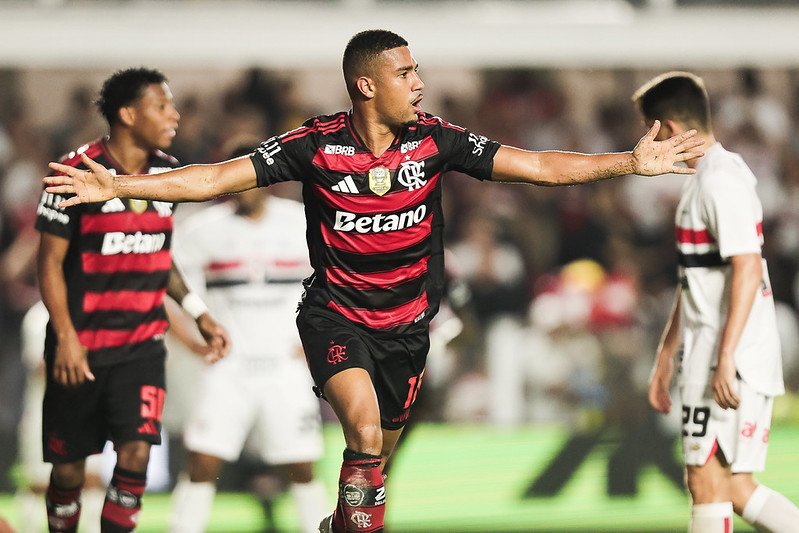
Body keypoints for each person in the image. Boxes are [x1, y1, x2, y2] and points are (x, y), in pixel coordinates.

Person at [44, 31, 703, 533]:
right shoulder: (315, 144)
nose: (419, 83)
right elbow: (216, 178)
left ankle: (339, 524)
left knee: (372, 468)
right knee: (360, 434)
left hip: (406, 330)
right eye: (405, 73)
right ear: (366, 85)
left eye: (416, 71)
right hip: (335, 317)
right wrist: (119, 185)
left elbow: (535, 165)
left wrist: (627, 162)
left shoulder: (435, 140)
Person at [36, 67, 230, 533]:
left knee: (137, 453)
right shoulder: (75, 172)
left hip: (141, 347)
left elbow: (159, 255)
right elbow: (49, 265)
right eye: (162, 106)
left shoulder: (167, 174)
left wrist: (198, 313)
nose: (174, 116)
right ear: (127, 114)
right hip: (81, 347)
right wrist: (66, 337)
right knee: (69, 471)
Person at [639, 71, 799, 533]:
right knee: (729, 487)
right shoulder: (708, 178)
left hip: (729, 353)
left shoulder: (720, 181)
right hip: (711, 350)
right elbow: (698, 278)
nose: (646, 145)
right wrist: (667, 354)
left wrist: (726, 358)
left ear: (669, 129)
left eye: (649, 132)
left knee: (711, 484)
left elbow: (747, 267)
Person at [168, 142, 329, 533]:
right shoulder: (201, 230)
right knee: (202, 461)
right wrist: (189, 342)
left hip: (286, 365)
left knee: (301, 464)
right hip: (229, 367)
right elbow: (165, 286)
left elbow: (337, 279)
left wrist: (321, 339)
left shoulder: (302, 221)